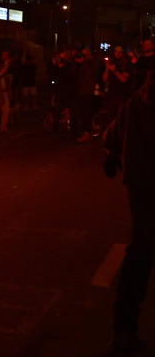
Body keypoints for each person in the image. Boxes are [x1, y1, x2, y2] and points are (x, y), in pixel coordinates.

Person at [103, 71, 155, 353]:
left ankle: (124, 329)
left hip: (142, 188)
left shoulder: (136, 101)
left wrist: (111, 155)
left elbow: (112, 134)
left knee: (141, 253)